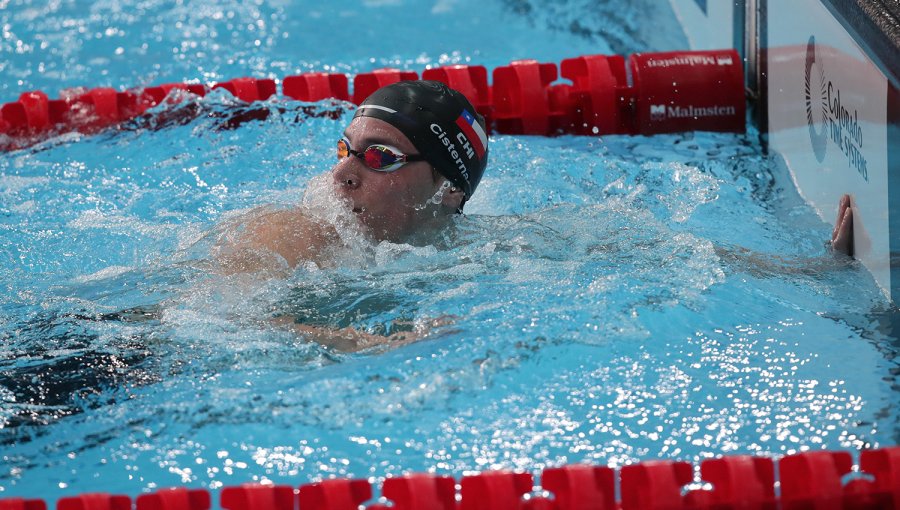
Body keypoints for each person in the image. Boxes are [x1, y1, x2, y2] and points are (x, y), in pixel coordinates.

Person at [213, 80, 490, 351]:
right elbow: (225, 317)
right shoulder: (292, 234)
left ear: (449, 189)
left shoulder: (482, 255)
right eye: (344, 149)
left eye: (379, 157)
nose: (340, 174)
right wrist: (369, 345)